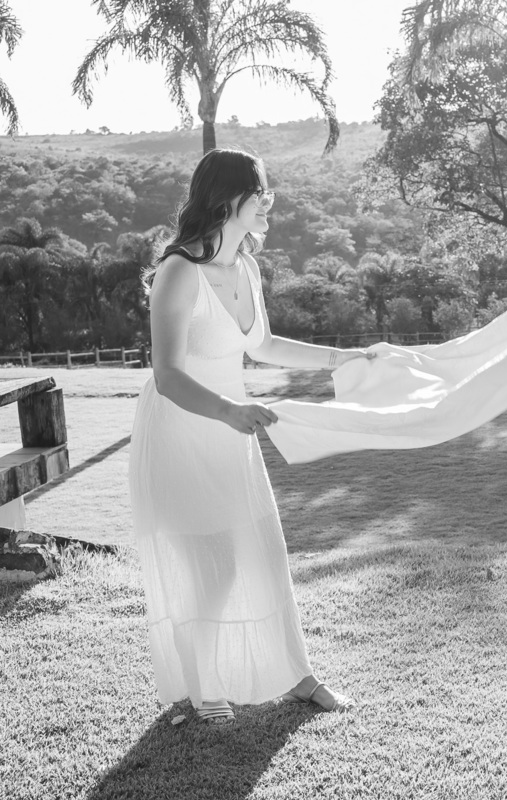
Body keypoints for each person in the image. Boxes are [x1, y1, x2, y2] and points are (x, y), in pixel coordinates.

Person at [129, 148, 371, 724]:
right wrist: (229, 409)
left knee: (262, 553)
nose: (270, 202)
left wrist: (342, 356)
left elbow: (263, 344)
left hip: (228, 429)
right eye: (260, 191)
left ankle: (295, 675)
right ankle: (203, 685)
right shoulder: (178, 272)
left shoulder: (248, 268)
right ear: (227, 200)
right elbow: (167, 375)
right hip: (181, 431)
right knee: (214, 562)